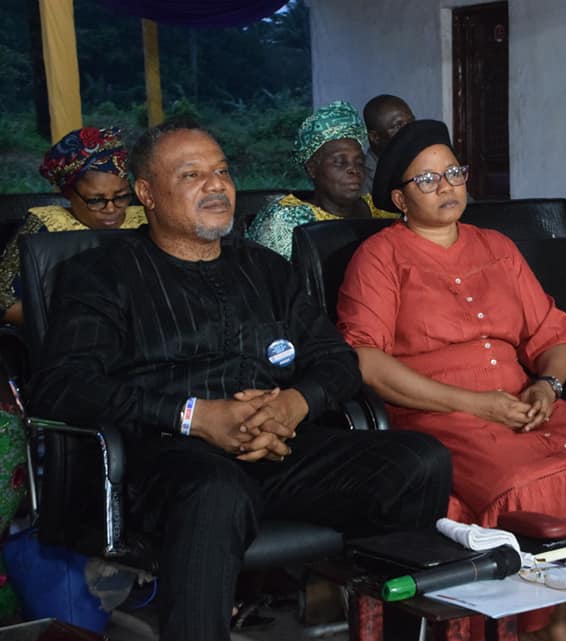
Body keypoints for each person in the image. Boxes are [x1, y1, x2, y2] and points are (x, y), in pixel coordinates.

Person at [29, 119, 452, 641]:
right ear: (147, 194)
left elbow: (338, 360)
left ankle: (388, 630)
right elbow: (64, 385)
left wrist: (294, 404)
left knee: (418, 462)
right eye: (192, 175)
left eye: (223, 172)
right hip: (165, 459)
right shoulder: (102, 274)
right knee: (216, 491)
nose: (216, 185)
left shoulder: (266, 269)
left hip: (277, 449)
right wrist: (196, 416)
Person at [337, 120, 566, 641]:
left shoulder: (497, 247)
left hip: (521, 402)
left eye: (454, 173)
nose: (446, 186)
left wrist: (548, 386)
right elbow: (366, 362)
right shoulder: (380, 257)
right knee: (522, 483)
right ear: (398, 198)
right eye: (427, 179)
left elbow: (553, 334)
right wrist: (476, 404)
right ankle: (524, 625)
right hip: (437, 413)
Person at [0, 127, 146, 325]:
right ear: (68, 194)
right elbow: (3, 300)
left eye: (121, 196)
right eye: (96, 200)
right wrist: (70, 323)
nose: (111, 209)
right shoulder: (47, 225)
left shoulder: (144, 219)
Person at [246, 101, 395, 259]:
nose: (354, 169)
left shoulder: (380, 209)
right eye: (339, 162)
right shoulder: (286, 221)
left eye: (359, 162)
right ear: (312, 169)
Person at [362, 94, 415, 194]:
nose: (410, 131)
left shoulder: (418, 162)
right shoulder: (361, 179)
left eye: (412, 122)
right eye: (398, 125)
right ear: (375, 137)